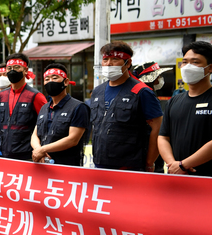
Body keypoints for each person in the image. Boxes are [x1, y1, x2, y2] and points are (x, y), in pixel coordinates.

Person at [90, 41, 163, 171]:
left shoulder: (141, 91)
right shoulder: (97, 91)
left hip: (129, 167)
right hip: (100, 164)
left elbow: (157, 129)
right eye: (105, 59)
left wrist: (149, 161)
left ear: (128, 63)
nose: (108, 64)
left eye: (115, 59)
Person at [159, 41, 212, 177]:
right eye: (185, 62)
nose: (188, 66)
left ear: (210, 68)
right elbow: (163, 137)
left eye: (195, 62)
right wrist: (173, 164)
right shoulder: (175, 101)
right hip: (178, 177)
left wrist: (184, 164)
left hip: (207, 178)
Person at [30, 64, 90, 166]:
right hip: (42, 164)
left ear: (66, 82)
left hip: (67, 166)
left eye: (54, 78)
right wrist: (37, 150)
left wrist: (43, 149)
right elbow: (35, 134)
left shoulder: (78, 107)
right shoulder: (44, 108)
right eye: (47, 79)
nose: (50, 81)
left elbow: (73, 139)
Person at [0, 54, 47, 160]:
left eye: (16, 67)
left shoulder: (35, 96)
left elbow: (45, 125)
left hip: (28, 155)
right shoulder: (2, 95)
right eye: (9, 68)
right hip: (5, 153)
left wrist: (40, 150)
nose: (12, 71)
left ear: (25, 70)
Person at [132, 62, 171, 172]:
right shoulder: (146, 94)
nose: (160, 79)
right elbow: (157, 128)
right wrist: (150, 161)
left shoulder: (146, 93)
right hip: (148, 150)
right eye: (157, 76)